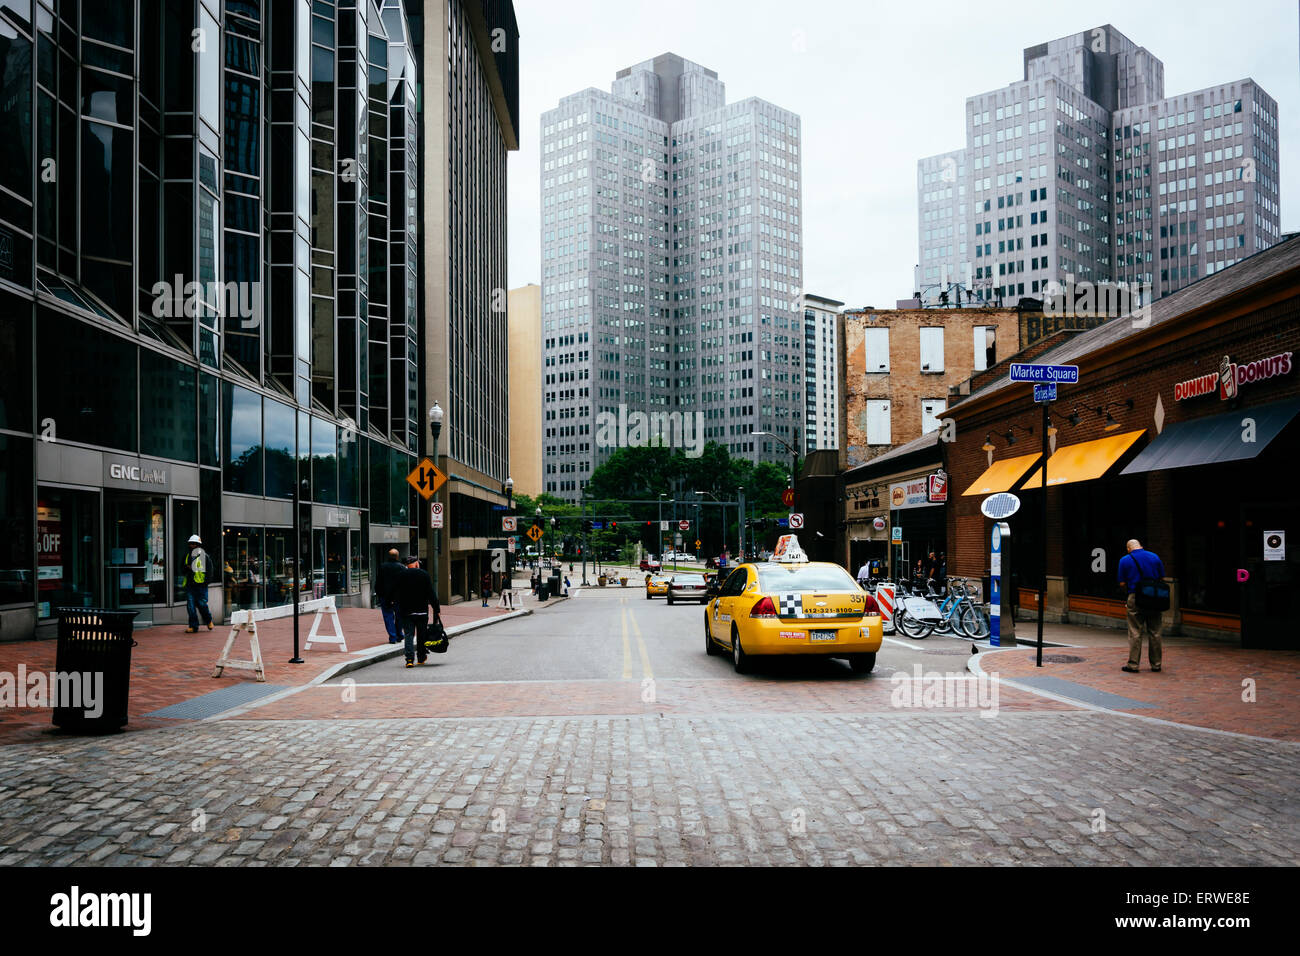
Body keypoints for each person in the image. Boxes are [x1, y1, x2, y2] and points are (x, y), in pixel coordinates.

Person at [1118, 539, 1166, 673]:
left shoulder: (1125, 560)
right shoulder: (1154, 557)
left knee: (1135, 631)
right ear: (1141, 546)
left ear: (1128, 549)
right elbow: (1162, 578)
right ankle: (1156, 664)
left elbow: (1122, 583)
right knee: (1155, 631)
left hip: (1135, 597)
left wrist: (1128, 594)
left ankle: (1133, 665)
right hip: (1154, 598)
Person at [394, 555, 440, 667]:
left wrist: (396, 605)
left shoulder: (400, 575)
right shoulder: (424, 574)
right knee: (421, 635)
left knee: (409, 635)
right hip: (422, 611)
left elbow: (396, 593)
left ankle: (409, 660)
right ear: (415, 564)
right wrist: (436, 608)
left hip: (406, 611)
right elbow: (431, 593)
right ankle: (421, 657)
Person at [183, 534, 214, 633]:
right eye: (191, 543)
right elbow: (182, 568)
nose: (192, 545)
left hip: (201, 585)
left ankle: (208, 620)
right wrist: (186, 568)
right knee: (190, 607)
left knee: (202, 605)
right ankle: (193, 626)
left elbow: (210, 570)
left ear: (198, 545)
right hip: (190, 585)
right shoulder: (187, 556)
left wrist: (206, 582)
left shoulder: (204, 556)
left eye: (194, 544)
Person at [374, 548, 404, 644]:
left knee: (388, 616)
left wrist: (379, 594)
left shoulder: (383, 567)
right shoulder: (402, 567)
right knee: (399, 616)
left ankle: (393, 636)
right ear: (397, 556)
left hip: (385, 596)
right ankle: (399, 634)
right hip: (398, 597)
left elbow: (378, 582)